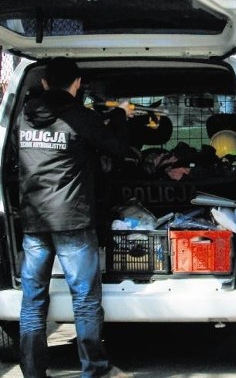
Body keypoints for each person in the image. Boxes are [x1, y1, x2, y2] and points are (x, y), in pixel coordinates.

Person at [18, 58, 135, 378]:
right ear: (78, 83)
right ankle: (95, 371)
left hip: (34, 222)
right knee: (83, 300)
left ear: (44, 84)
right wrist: (121, 117)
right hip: (73, 221)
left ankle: (32, 373)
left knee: (32, 302)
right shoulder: (80, 118)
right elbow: (118, 149)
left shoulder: (23, 120)